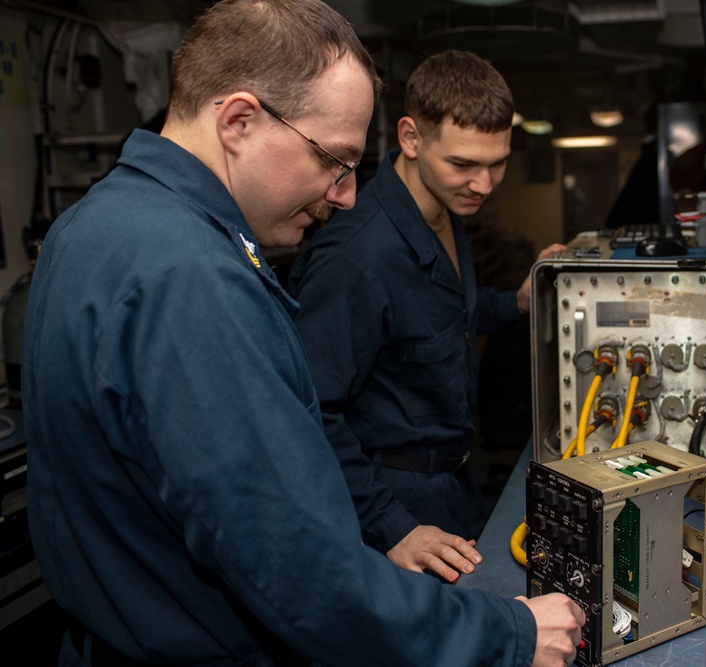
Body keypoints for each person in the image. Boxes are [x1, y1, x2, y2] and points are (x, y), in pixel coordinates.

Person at [22, 1, 584, 665]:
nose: (345, 194)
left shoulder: (94, 226)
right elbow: (301, 573)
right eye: (333, 159)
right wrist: (508, 632)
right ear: (238, 121)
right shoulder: (188, 275)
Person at [288, 50, 565, 582]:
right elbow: (308, 409)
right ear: (411, 138)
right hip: (388, 506)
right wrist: (391, 526)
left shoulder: (443, 211)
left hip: (453, 483)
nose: (484, 184)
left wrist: (517, 303)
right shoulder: (358, 259)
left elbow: (439, 316)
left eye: (498, 162)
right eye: (463, 164)